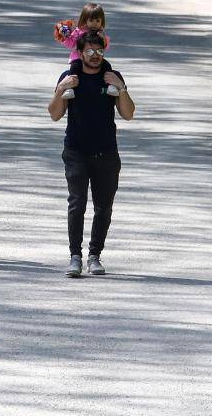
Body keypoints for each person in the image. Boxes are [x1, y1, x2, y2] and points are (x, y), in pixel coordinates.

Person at [48, 30, 135, 278]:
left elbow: (128, 114)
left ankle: (94, 256)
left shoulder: (112, 77)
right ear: (80, 52)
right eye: (89, 51)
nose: (95, 56)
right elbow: (54, 114)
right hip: (76, 150)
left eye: (99, 51)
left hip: (106, 151)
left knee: (104, 206)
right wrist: (60, 89)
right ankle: (75, 256)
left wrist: (122, 87)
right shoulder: (69, 77)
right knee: (77, 203)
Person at [53, 3, 117, 100]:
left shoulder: (100, 33)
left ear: (102, 21)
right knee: (74, 69)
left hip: (95, 58)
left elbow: (105, 47)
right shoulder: (79, 32)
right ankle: (70, 89)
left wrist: (103, 39)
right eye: (91, 20)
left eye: (98, 21)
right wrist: (66, 37)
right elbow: (70, 44)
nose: (95, 23)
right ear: (85, 20)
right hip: (78, 58)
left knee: (107, 66)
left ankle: (110, 86)